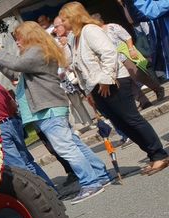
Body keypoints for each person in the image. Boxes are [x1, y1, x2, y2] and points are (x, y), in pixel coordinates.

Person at [0, 21, 112, 204]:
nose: (17, 42)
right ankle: (100, 174)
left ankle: (91, 183)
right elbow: (14, 73)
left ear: (30, 36)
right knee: (73, 144)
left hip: (48, 109)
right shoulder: (37, 53)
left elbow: (16, 64)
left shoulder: (37, 51)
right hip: (48, 109)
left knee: (66, 148)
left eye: (19, 38)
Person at [61, 2, 169, 175]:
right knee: (121, 124)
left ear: (74, 17)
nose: (61, 23)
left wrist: (106, 80)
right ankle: (152, 155)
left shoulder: (90, 30)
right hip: (95, 86)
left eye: (64, 19)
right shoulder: (74, 38)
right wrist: (88, 92)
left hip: (114, 81)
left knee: (131, 119)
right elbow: (77, 66)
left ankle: (160, 155)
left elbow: (109, 53)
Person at [0, 66, 55, 187]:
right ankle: (49, 188)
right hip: (12, 123)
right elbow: (12, 105)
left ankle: (39, 191)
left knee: (18, 166)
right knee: (28, 161)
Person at [95, 14, 165, 108]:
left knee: (138, 75)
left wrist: (131, 49)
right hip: (113, 61)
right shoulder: (97, 35)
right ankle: (143, 101)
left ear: (101, 20)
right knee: (127, 82)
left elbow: (127, 37)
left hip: (124, 56)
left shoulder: (112, 27)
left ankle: (157, 89)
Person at [53, 16, 97, 130]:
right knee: (87, 97)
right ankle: (98, 117)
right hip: (73, 76)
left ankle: (102, 116)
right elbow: (63, 61)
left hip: (87, 73)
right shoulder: (58, 42)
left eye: (57, 27)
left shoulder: (75, 36)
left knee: (93, 96)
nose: (55, 30)